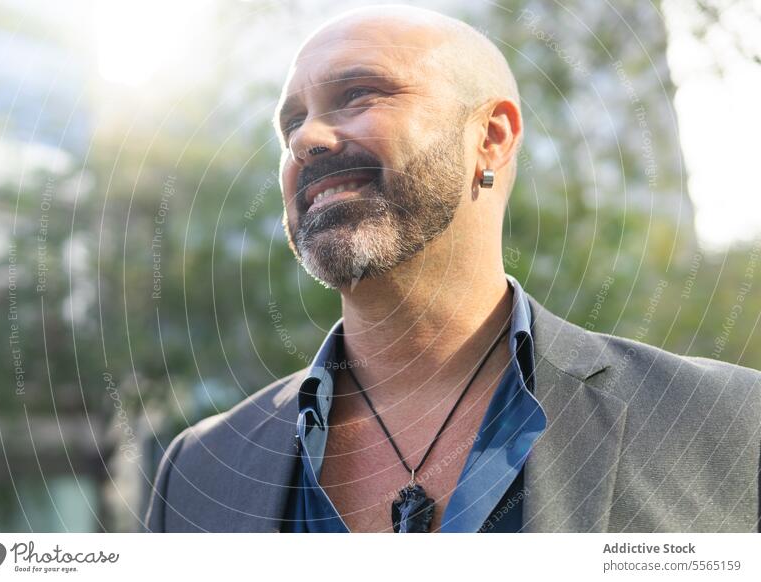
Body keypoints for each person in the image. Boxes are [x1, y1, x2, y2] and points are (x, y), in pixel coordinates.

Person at [145, 5, 760, 533]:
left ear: (491, 137)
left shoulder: (729, 427)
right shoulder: (196, 473)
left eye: (358, 94)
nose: (308, 139)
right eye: (291, 124)